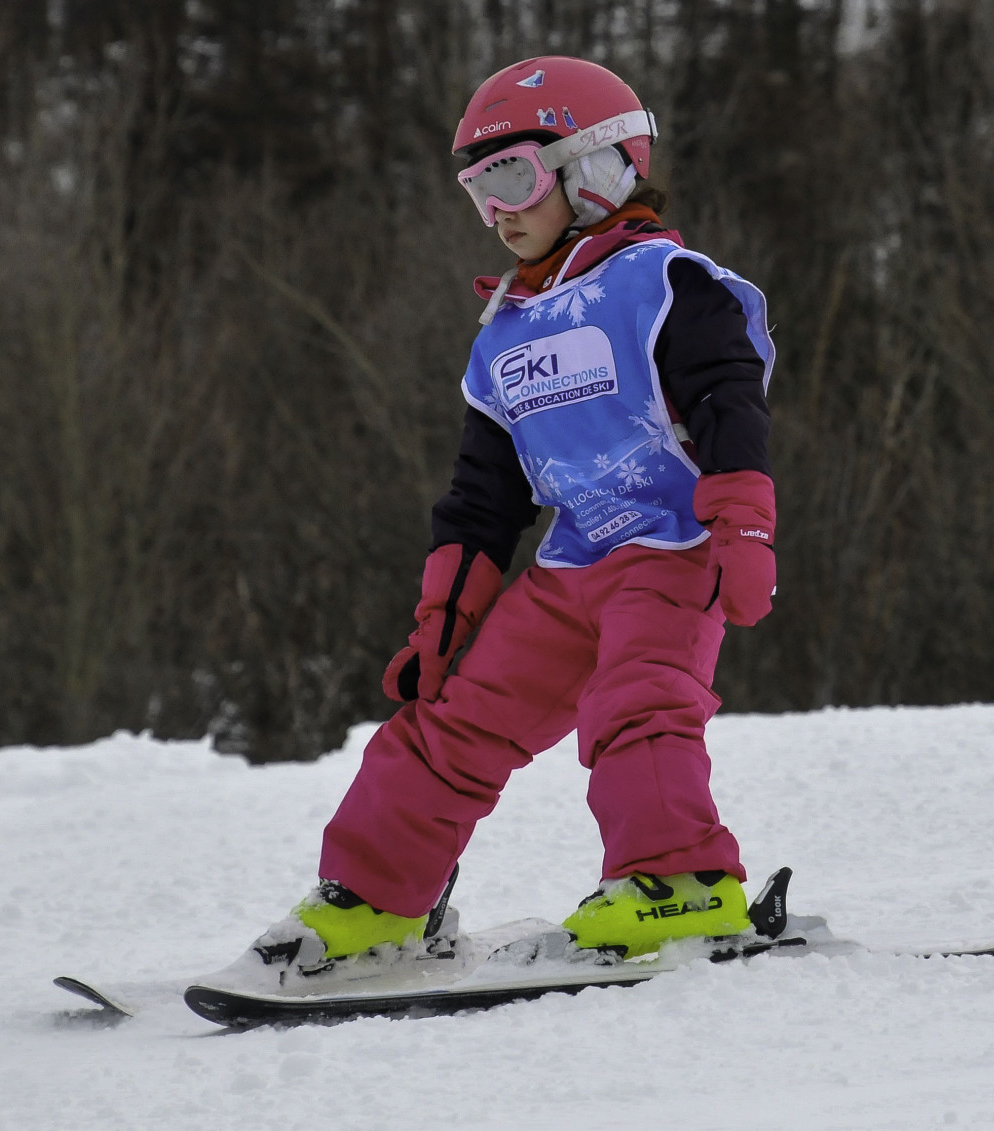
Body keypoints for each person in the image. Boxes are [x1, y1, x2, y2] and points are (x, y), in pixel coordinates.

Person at [255, 55, 777, 968]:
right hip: (572, 566)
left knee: (637, 702)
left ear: (596, 167)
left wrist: (743, 524)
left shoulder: (665, 285)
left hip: (671, 547)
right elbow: (483, 494)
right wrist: (443, 619)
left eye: (511, 178)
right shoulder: (506, 332)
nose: (495, 210)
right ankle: (375, 901)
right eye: (478, 190)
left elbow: (728, 399)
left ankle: (682, 883)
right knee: (450, 721)